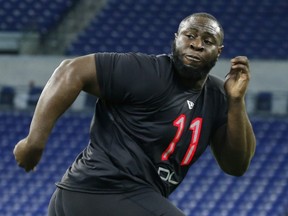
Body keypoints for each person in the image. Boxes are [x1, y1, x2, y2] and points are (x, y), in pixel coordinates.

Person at [13, 12, 256, 216]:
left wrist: (236, 101)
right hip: (98, 190)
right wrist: (34, 141)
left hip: (116, 199)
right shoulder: (148, 72)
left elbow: (236, 165)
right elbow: (70, 71)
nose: (197, 44)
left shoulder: (217, 96)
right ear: (176, 39)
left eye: (208, 40)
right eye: (189, 36)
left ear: (219, 51)